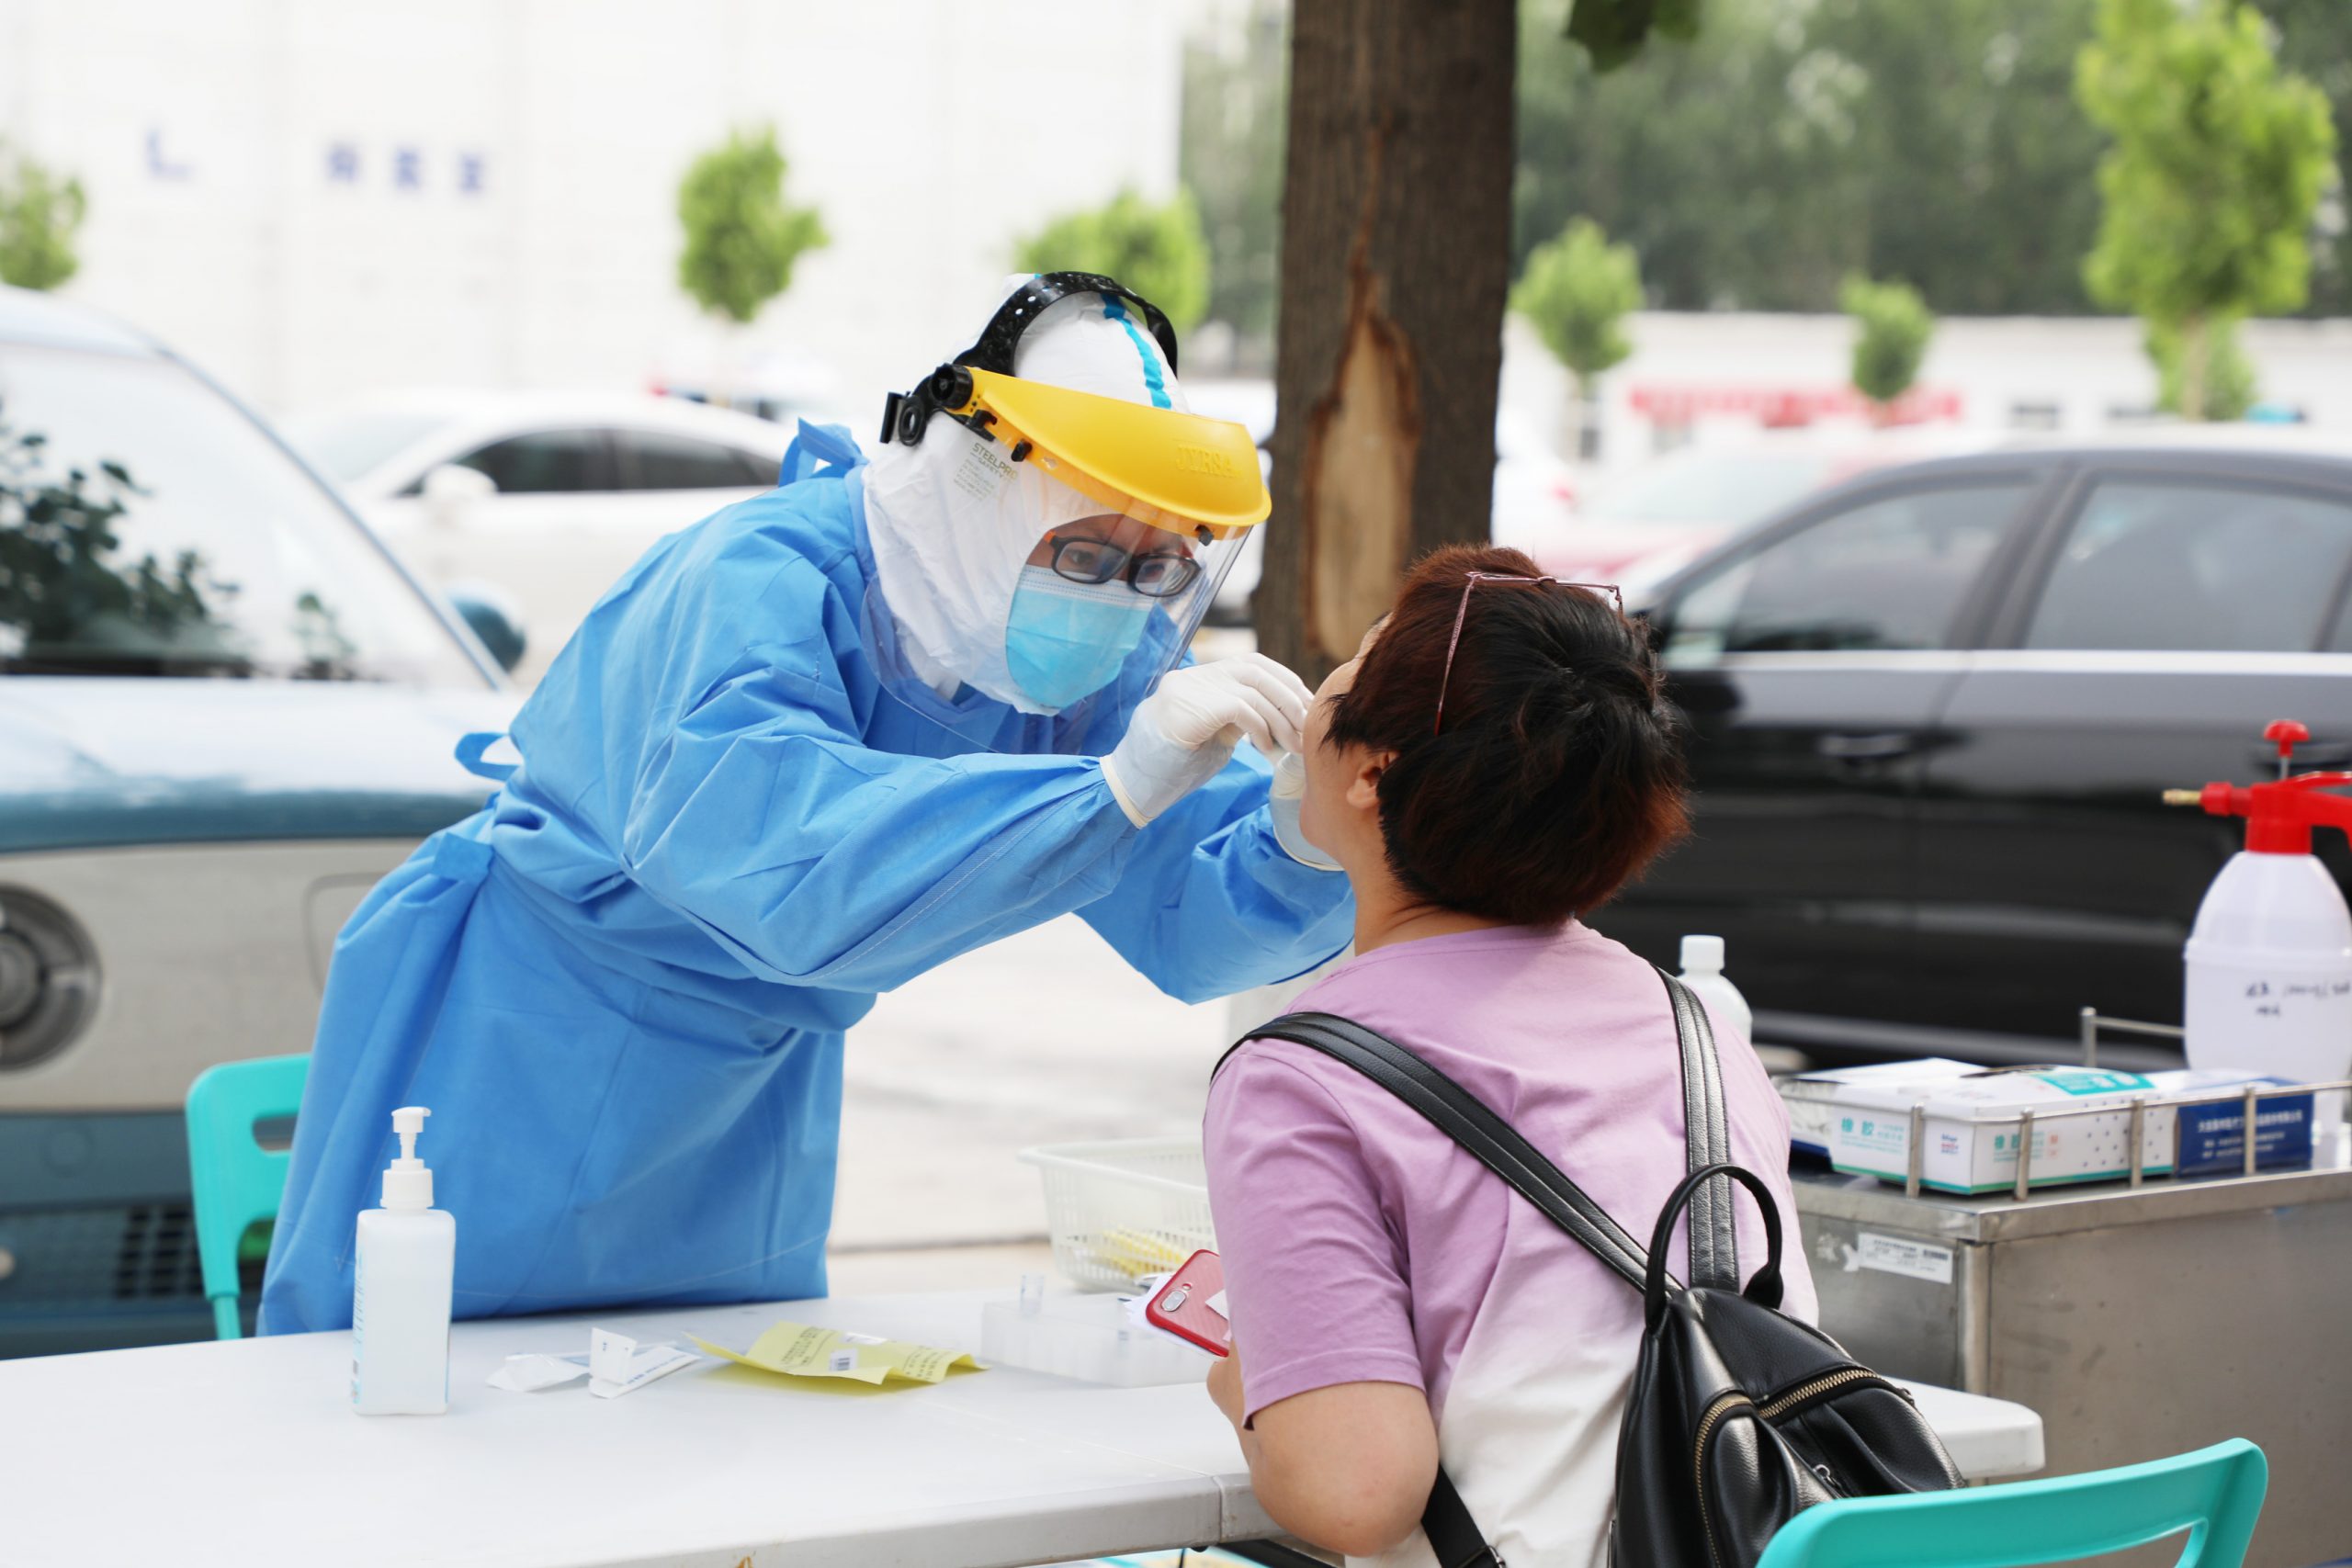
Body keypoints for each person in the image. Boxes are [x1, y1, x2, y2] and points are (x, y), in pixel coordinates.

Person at [261, 274, 1352, 1332]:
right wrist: (1115, 787)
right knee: (423, 1406)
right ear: (977, 479)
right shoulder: (759, 577)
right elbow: (780, 873)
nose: (1119, 596)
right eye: (1087, 547)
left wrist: (1307, 832)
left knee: (731, 1448)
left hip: (755, 1087)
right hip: (522, 1038)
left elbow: (1185, 924)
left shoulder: (1063, 664)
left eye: (1160, 568)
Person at [1201, 545, 1817, 1566]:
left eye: (1346, 676)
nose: (1317, 700)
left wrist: (1249, 1392)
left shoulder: (1305, 1077)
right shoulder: (1694, 1024)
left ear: (1369, 773)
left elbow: (1355, 1492)